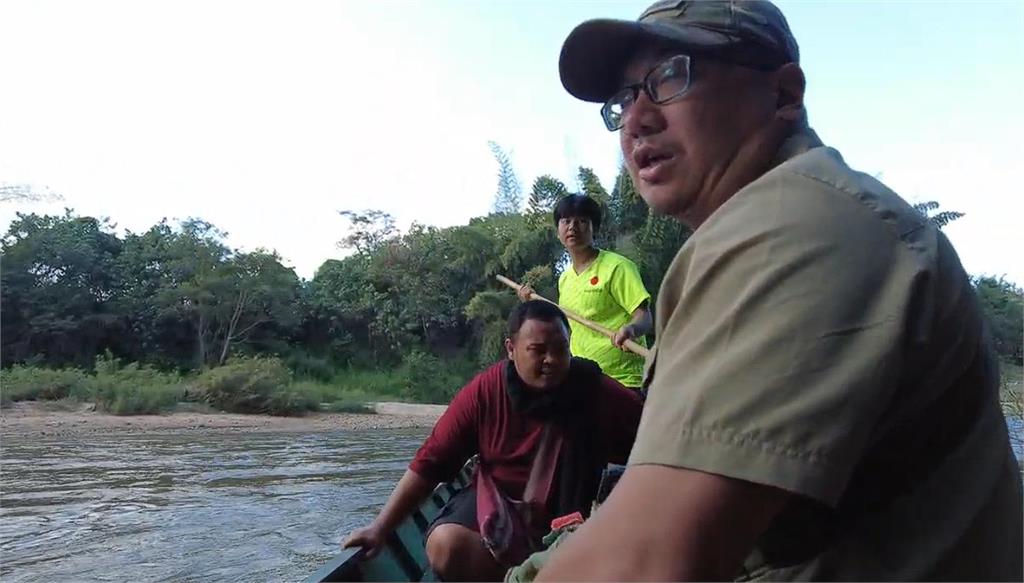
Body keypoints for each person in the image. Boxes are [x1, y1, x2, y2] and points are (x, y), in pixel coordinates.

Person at [535, 1, 1024, 581]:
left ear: (784, 93)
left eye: (669, 77)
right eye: (622, 100)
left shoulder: (800, 225)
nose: (636, 119)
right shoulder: (764, 228)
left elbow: (646, 566)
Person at [342, 300, 642, 581]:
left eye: (561, 349)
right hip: (499, 512)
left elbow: (653, 432)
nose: (551, 360)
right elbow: (432, 463)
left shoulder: (592, 388)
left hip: (572, 520)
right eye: (538, 350)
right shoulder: (485, 392)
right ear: (511, 349)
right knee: (446, 546)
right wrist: (380, 528)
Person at [517, 194, 653, 388]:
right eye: (566, 221)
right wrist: (533, 305)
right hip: (583, 379)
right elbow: (564, 325)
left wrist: (631, 329)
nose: (573, 227)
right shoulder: (565, 279)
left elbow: (644, 316)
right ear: (558, 231)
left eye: (581, 221)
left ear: (594, 229)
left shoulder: (617, 267)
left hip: (624, 381)